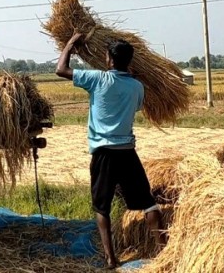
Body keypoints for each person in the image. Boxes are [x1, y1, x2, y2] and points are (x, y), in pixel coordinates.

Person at [55, 33, 164, 269]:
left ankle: (111, 258)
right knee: (148, 202)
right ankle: (164, 250)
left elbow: (61, 70)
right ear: (130, 61)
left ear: (109, 59)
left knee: (101, 206)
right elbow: (133, 106)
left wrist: (70, 44)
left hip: (103, 152)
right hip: (127, 151)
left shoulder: (98, 79)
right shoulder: (137, 87)